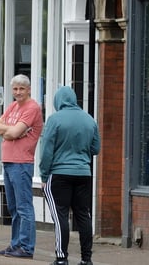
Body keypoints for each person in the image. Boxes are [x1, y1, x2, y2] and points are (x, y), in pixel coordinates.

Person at [40, 86, 101, 265]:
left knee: (60, 216)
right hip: (83, 174)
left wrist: (44, 176)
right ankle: (86, 259)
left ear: (58, 101)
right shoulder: (89, 119)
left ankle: (61, 258)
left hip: (59, 174)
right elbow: (95, 149)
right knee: (83, 215)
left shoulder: (54, 120)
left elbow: (46, 152)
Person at [0, 74, 43, 259]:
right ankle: (15, 244)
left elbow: (13, 132)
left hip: (21, 163)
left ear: (28, 89)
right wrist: (9, 132)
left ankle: (26, 247)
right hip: (8, 161)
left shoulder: (32, 108)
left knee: (24, 207)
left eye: (22, 88)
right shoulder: (13, 106)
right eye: (15, 88)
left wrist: (9, 132)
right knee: (13, 207)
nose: (18, 92)